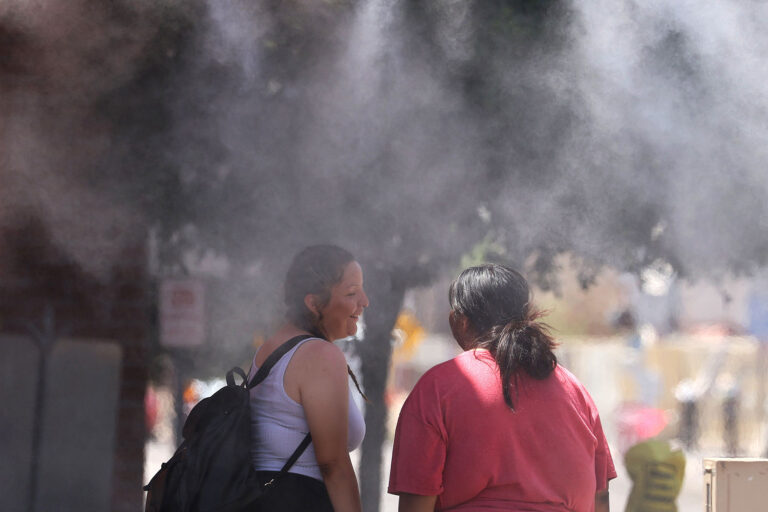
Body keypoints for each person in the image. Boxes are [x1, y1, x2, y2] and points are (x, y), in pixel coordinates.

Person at [389, 264, 616, 512]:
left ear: (459, 321)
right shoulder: (574, 389)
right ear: (527, 316)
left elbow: (415, 503)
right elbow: (600, 499)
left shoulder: (437, 387)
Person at [249, 245, 369, 512]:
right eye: (351, 293)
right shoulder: (320, 355)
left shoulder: (270, 347)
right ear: (313, 304)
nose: (364, 301)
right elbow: (333, 465)